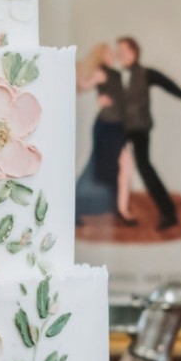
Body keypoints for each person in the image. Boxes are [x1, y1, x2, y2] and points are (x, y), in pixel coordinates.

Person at [115, 36, 181, 232]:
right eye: (117, 51)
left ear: (133, 52)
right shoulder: (117, 76)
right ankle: (121, 209)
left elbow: (165, 83)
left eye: (122, 50)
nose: (119, 54)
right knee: (116, 166)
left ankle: (168, 212)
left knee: (144, 167)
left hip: (139, 128)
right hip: (120, 128)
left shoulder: (145, 73)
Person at [75, 43, 137, 226]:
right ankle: (76, 207)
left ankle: (121, 209)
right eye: (108, 53)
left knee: (124, 166)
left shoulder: (114, 74)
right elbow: (82, 86)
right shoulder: (101, 73)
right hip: (107, 127)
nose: (112, 55)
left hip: (117, 126)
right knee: (104, 166)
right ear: (102, 56)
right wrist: (99, 99)